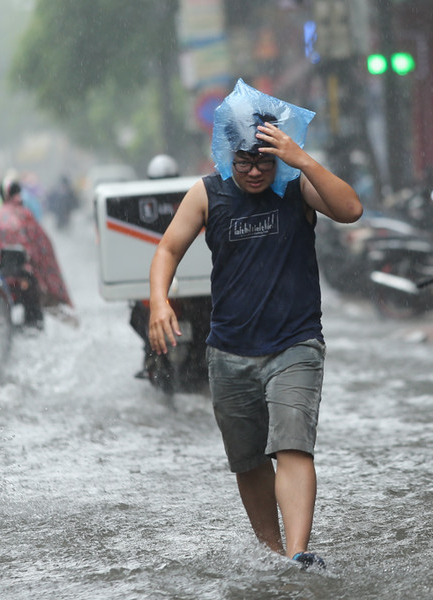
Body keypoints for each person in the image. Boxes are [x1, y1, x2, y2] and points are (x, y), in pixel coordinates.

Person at [148, 109, 362, 568]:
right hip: (229, 350)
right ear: (228, 154)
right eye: (244, 161)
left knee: (292, 445)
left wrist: (301, 160)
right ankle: (271, 554)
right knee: (248, 461)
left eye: (264, 161)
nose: (254, 172)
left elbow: (351, 210)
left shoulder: (295, 185)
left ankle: (298, 553)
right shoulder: (207, 194)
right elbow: (167, 248)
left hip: (295, 343)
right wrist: (159, 301)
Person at [0, 179, 77, 326]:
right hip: (26, 275)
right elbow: (42, 248)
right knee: (34, 316)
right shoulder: (26, 215)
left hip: (1, 275)